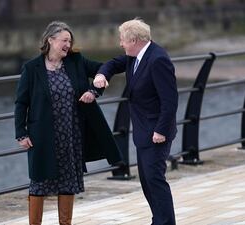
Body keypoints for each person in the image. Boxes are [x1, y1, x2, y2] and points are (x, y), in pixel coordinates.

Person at [14, 21, 122, 225]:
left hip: (71, 135)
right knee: (39, 183)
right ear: (51, 40)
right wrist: (21, 132)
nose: (68, 44)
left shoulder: (76, 62)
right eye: (64, 40)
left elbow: (102, 69)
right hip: (43, 137)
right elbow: (21, 103)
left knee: (67, 183)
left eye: (70, 41)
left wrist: (94, 90)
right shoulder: (31, 68)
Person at [93, 18, 178, 225]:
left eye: (123, 40)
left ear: (134, 40)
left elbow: (170, 100)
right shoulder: (135, 56)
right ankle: (158, 220)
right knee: (147, 182)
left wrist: (161, 131)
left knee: (155, 180)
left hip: (156, 133)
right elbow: (113, 64)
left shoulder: (158, 59)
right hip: (142, 132)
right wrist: (101, 75)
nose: (121, 44)